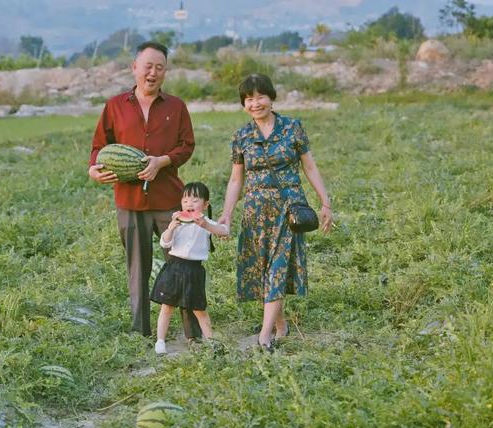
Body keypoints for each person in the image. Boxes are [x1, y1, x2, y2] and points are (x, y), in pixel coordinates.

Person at [88, 41, 202, 339]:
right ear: (134, 68)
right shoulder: (115, 106)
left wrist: (162, 161)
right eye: (147, 66)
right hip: (129, 200)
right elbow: (100, 146)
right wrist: (94, 170)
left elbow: (187, 146)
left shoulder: (176, 106)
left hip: (168, 199)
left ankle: (193, 333)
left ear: (165, 72)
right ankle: (141, 332)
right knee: (137, 269)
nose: (153, 72)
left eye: (159, 67)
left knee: (182, 263)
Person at [218, 73, 333, 351]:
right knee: (263, 271)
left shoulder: (292, 128)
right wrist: (227, 213)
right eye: (249, 99)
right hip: (255, 212)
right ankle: (281, 325)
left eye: (260, 96)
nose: (255, 103)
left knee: (278, 269)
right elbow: (236, 179)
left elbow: (309, 166)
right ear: (243, 104)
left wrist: (325, 202)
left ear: (271, 97)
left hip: (288, 209)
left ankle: (264, 335)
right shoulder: (242, 136)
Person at [151, 182, 229, 354]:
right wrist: (171, 228)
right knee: (167, 307)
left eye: (195, 200)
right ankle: (160, 341)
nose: (189, 204)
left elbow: (223, 231)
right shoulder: (177, 221)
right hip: (174, 267)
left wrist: (206, 226)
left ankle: (212, 342)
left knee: (199, 310)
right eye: (186, 200)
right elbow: (165, 242)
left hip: (194, 270)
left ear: (205, 204)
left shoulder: (207, 223)